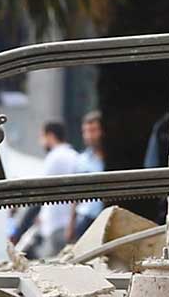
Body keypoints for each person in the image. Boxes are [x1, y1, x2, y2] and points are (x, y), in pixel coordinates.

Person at [12, 120, 83, 259]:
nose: (41, 142)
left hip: (56, 224)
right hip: (68, 221)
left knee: (52, 265)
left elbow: (41, 192)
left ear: (50, 136)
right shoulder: (73, 155)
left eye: (42, 137)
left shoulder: (55, 157)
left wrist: (20, 229)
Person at [71, 108, 106, 236]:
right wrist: (71, 225)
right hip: (86, 218)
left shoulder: (114, 160)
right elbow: (75, 195)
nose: (89, 136)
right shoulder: (82, 160)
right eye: (85, 131)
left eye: (93, 131)